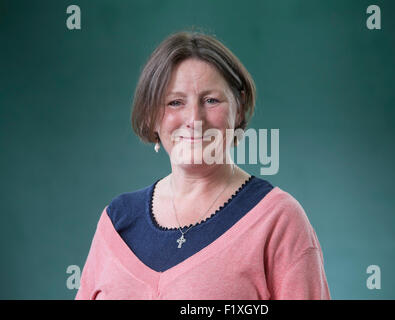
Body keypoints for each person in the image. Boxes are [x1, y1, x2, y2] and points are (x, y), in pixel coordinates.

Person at [75, 30, 331, 300]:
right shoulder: (117, 221)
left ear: (239, 107)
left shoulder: (279, 220)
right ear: (151, 115)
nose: (194, 119)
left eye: (211, 100)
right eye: (175, 102)